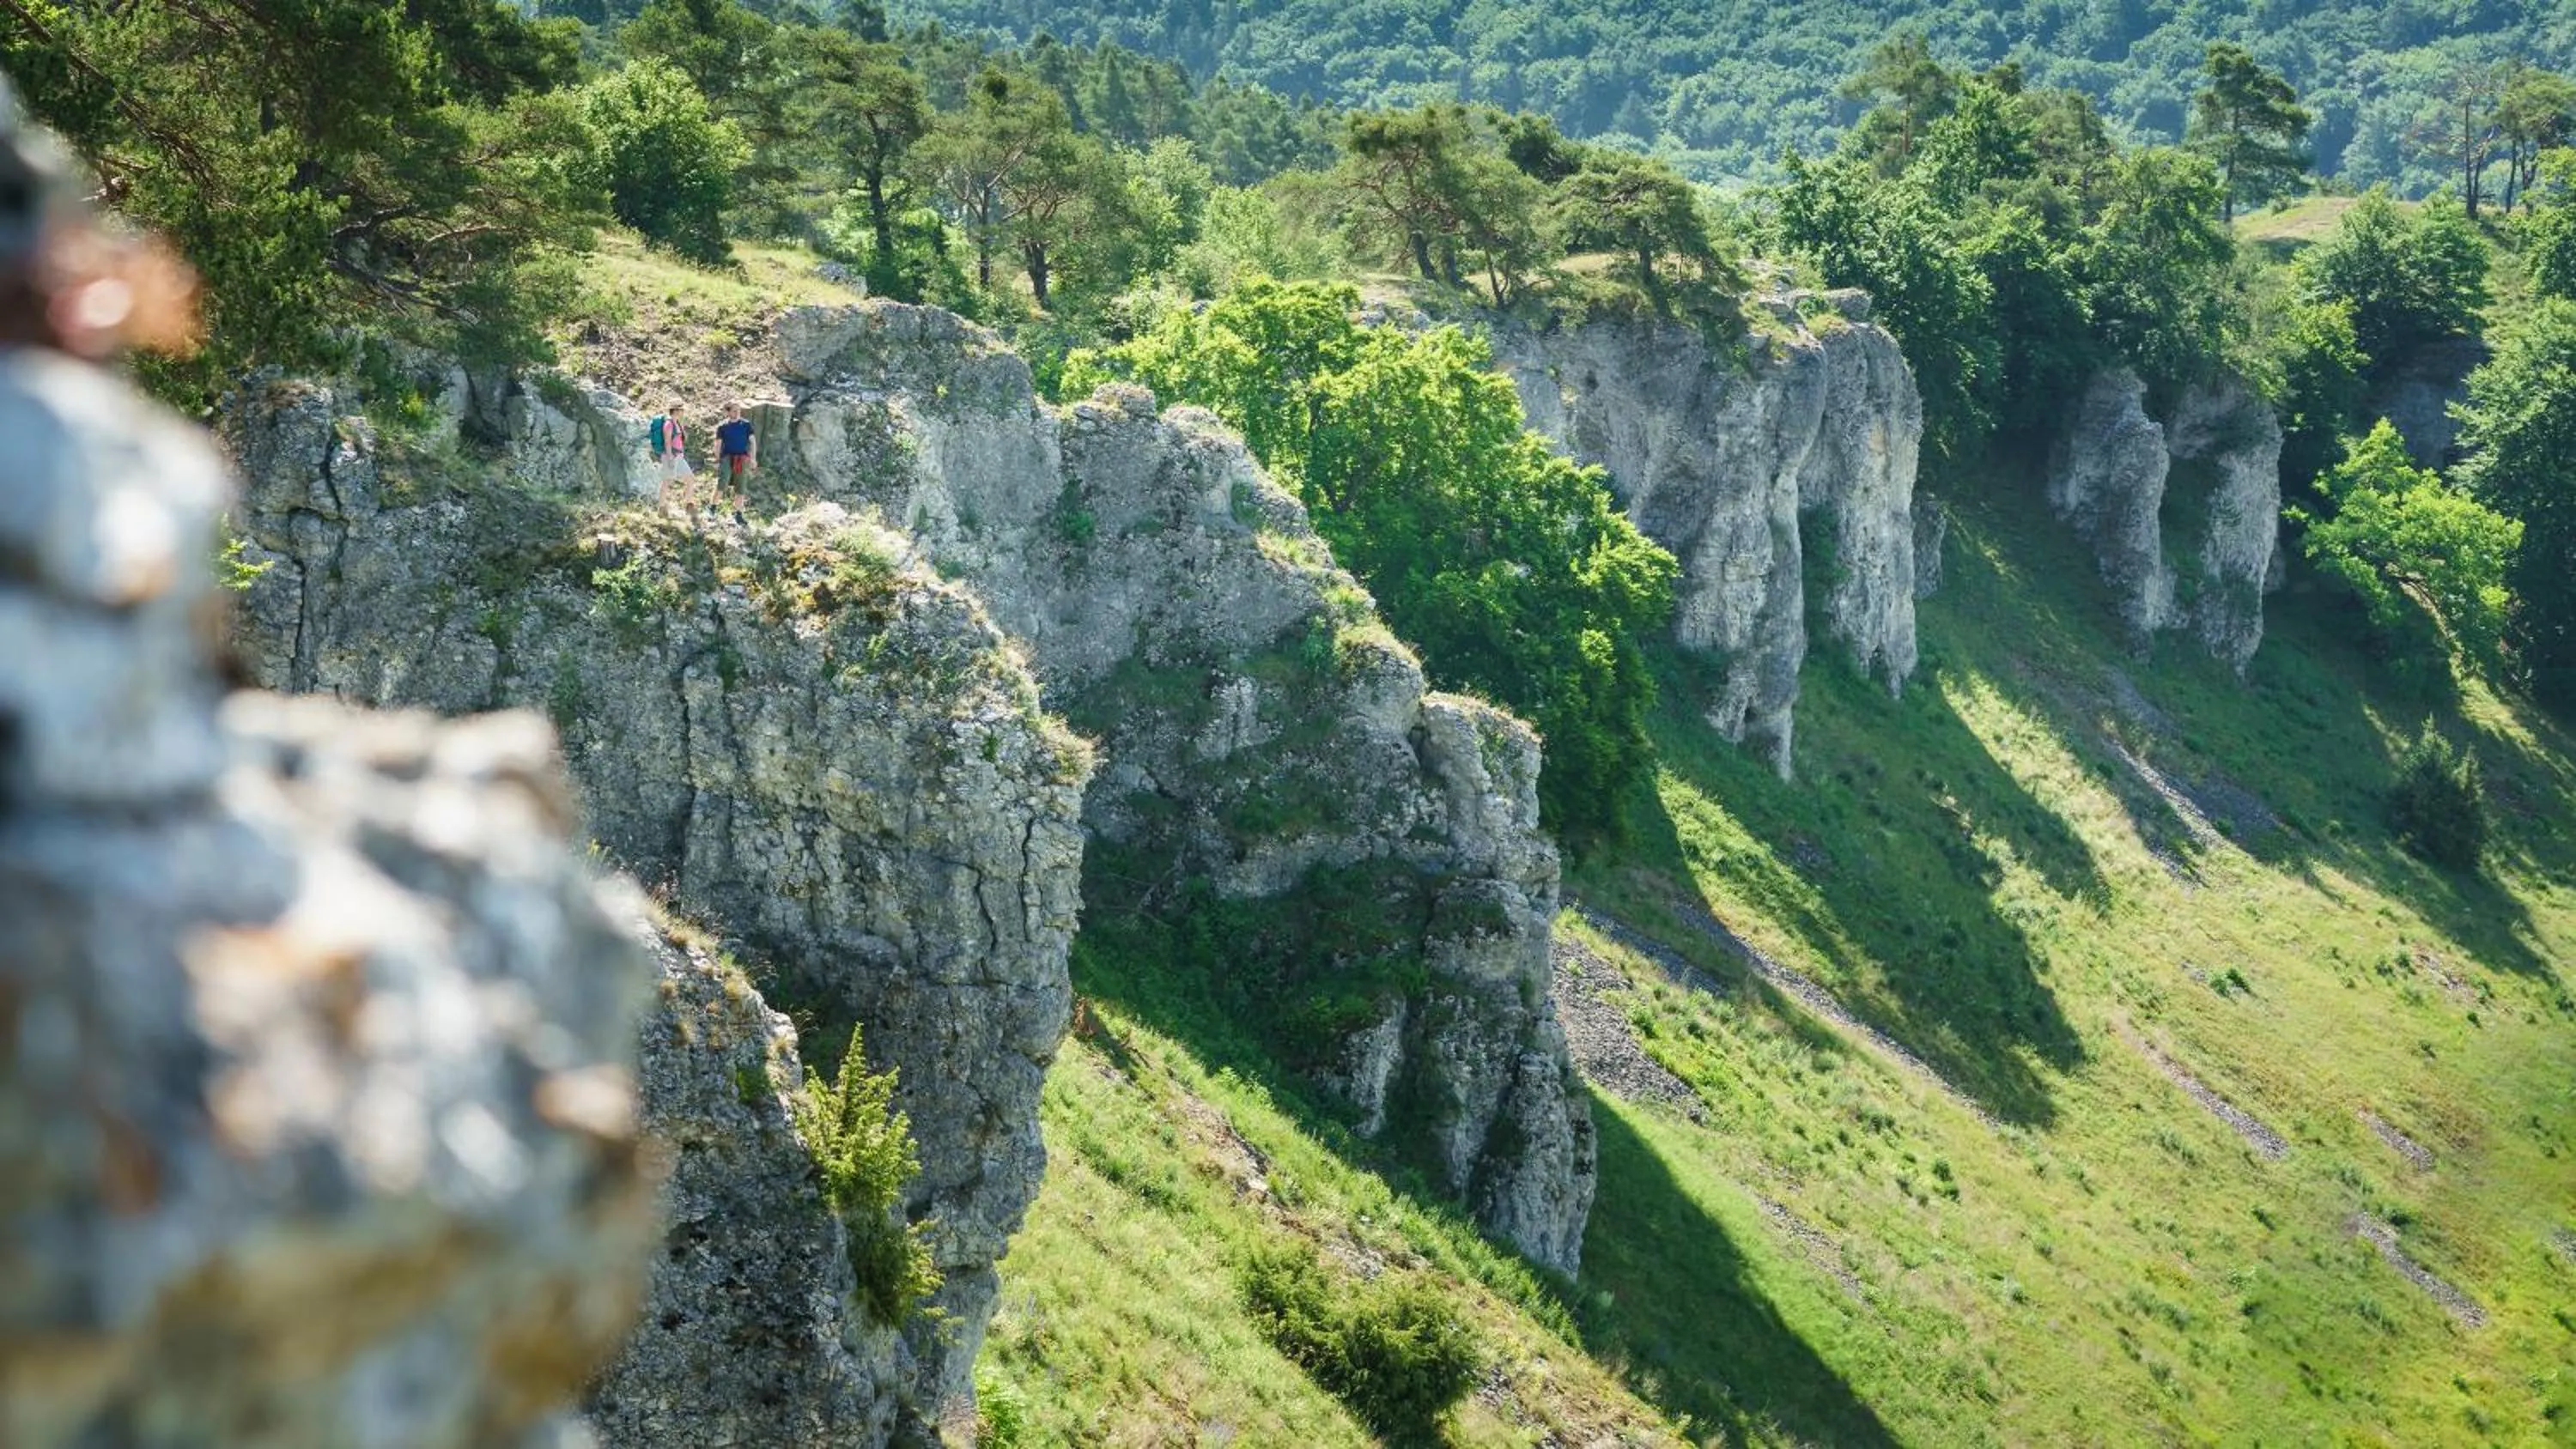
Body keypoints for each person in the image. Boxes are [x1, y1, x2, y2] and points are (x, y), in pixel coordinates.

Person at [649, 403, 693, 510]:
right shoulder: (668, 424)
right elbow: (667, 442)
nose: (683, 412)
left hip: (679, 456)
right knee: (667, 481)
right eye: (681, 410)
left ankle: (688, 504)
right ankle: (661, 506)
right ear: (676, 410)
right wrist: (670, 458)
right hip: (671, 456)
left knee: (690, 478)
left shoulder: (677, 423)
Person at [714, 402, 756, 502]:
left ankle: (738, 513)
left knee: (741, 487)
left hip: (742, 458)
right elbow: (718, 444)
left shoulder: (746, 424)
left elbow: (753, 442)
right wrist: (717, 459)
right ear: (728, 412)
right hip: (726, 457)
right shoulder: (722, 426)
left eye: (739, 410)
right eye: (734, 410)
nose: (737, 412)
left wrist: (753, 459)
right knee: (722, 483)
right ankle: (712, 507)